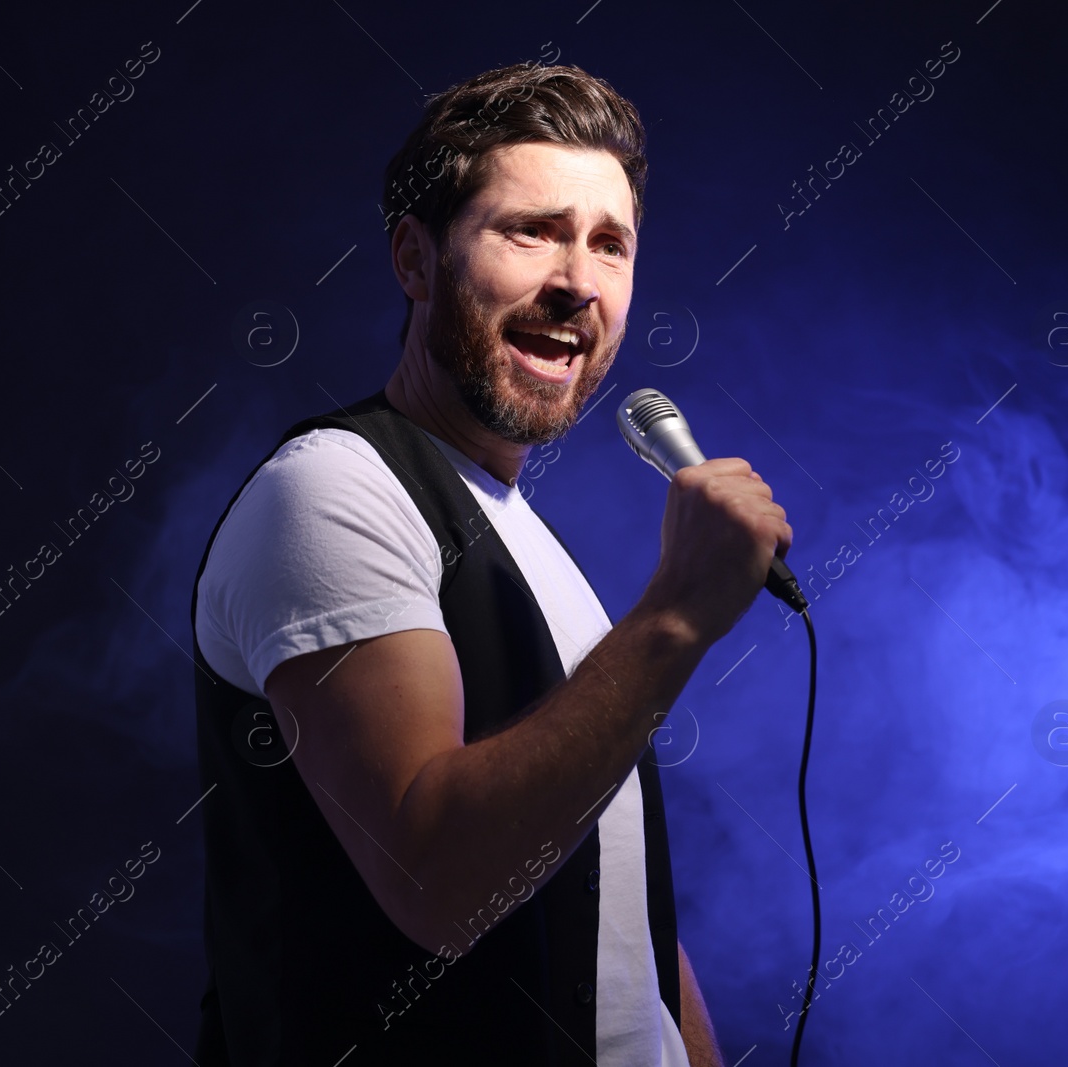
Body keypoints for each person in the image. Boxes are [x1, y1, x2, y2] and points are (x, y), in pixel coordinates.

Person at [190, 60, 791, 1066]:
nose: (575, 280)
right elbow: (437, 877)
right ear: (414, 260)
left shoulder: (524, 538)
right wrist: (676, 617)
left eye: (610, 244)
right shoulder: (334, 491)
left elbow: (609, 882)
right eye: (532, 231)